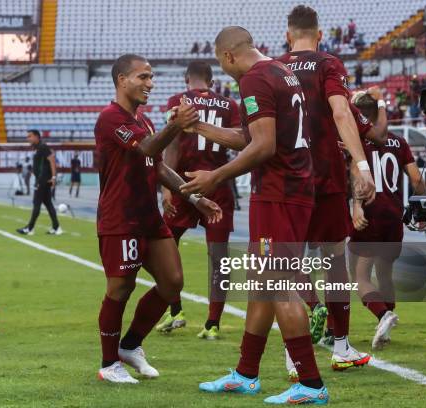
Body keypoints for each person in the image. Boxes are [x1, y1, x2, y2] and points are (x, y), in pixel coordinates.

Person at [181, 26, 329, 404]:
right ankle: (246, 373)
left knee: (278, 287)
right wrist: (197, 125)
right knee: (262, 284)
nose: (223, 71)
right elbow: (254, 137)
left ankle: (311, 384)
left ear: (229, 56)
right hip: (291, 190)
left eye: (221, 63)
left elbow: (262, 147)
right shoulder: (281, 71)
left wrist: (214, 176)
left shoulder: (254, 78)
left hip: (280, 195)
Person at [95, 54, 222, 384]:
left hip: (148, 217)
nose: (150, 84)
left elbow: (159, 167)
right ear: (122, 80)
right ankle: (109, 364)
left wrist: (194, 196)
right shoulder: (110, 118)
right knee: (121, 287)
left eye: (151, 77)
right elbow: (148, 149)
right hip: (120, 218)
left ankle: (131, 345)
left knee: (172, 282)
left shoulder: (144, 120)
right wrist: (175, 125)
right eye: (143, 77)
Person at [276, 5, 376, 375]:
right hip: (328, 180)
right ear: (320, 35)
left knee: (286, 265)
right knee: (335, 263)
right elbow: (341, 112)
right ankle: (341, 346)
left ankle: (293, 355)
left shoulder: (274, 67)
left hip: (289, 181)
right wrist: (362, 164)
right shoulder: (328, 64)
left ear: (288, 36)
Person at [155, 60, 240, 339]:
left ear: (186, 79)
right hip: (218, 183)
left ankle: (175, 311)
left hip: (184, 184)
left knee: (166, 248)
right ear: (212, 82)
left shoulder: (177, 101)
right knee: (219, 258)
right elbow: (239, 141)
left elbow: (173, 144)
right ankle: (213, 324)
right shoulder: (230, 105)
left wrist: (167, 188)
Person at [348, 91, 426, 349]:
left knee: (359, 276)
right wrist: (422, 210)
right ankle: (387, 323)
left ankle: (383, 315)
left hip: (370, 213)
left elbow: (356, 177)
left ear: (359, 115)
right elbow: (416, 179)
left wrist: (356, 206)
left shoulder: (356, 141)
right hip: (394, 216)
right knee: (385, 273)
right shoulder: (399, 142)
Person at [16, 130, 62, 236]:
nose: (28, 138)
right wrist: (33, 171)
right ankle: (56, 227)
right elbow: (41, 164)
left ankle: (30, 228)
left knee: (36, 203)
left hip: (43, 180)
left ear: (37, 137)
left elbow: (52, 160)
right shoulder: (37, 149)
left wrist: (54, 177)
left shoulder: (43, 147)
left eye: (30, 136)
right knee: (48, 203)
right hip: (41, 179)